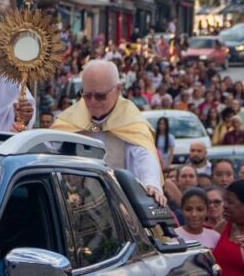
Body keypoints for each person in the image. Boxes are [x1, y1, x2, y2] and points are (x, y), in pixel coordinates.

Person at [51, 60, 166, 205]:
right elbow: (48, 148)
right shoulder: (69, 120)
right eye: (86, 95)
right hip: (72, 207)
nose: (92, 101)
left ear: (118, 90)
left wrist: (151, 184)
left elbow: (143, 156)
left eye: (100, 96)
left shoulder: (131, 122)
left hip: (118, 207)